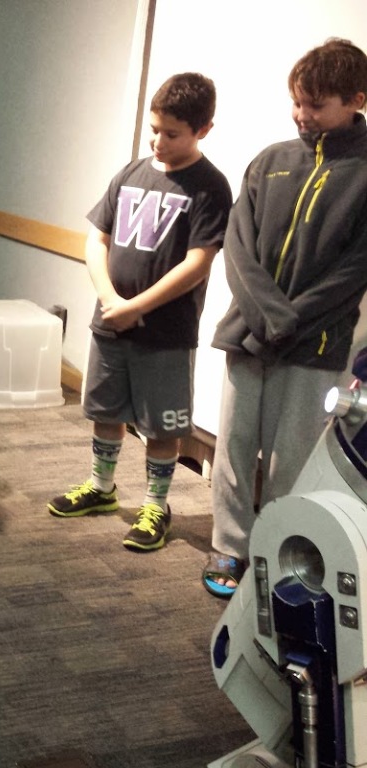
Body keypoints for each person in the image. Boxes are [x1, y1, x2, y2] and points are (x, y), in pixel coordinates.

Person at [203, 39, 367, 598]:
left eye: (317, 105)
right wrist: (269, 316)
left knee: (290, 457)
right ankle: (227, 548)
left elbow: (355, 270)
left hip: (316, 343)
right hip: (249, 333)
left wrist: (290, 320)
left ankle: (276, 550)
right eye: (298, 103)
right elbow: (237, 242)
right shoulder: (272, 160)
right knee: (234, 445)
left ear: (356, 100)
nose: (303, 116)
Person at [47, 73, 232, 553]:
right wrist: (111, 299)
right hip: (111, 322)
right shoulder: (131, 173)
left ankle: (156, 505)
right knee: (105, 411)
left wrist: (137, 307)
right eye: (154, 129)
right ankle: (102, 488)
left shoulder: (210, 187)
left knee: (162, 425)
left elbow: (198, 263)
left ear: (203, 130)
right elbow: (97, 239)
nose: (158, 140)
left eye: (172, 133)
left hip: (165, 333)